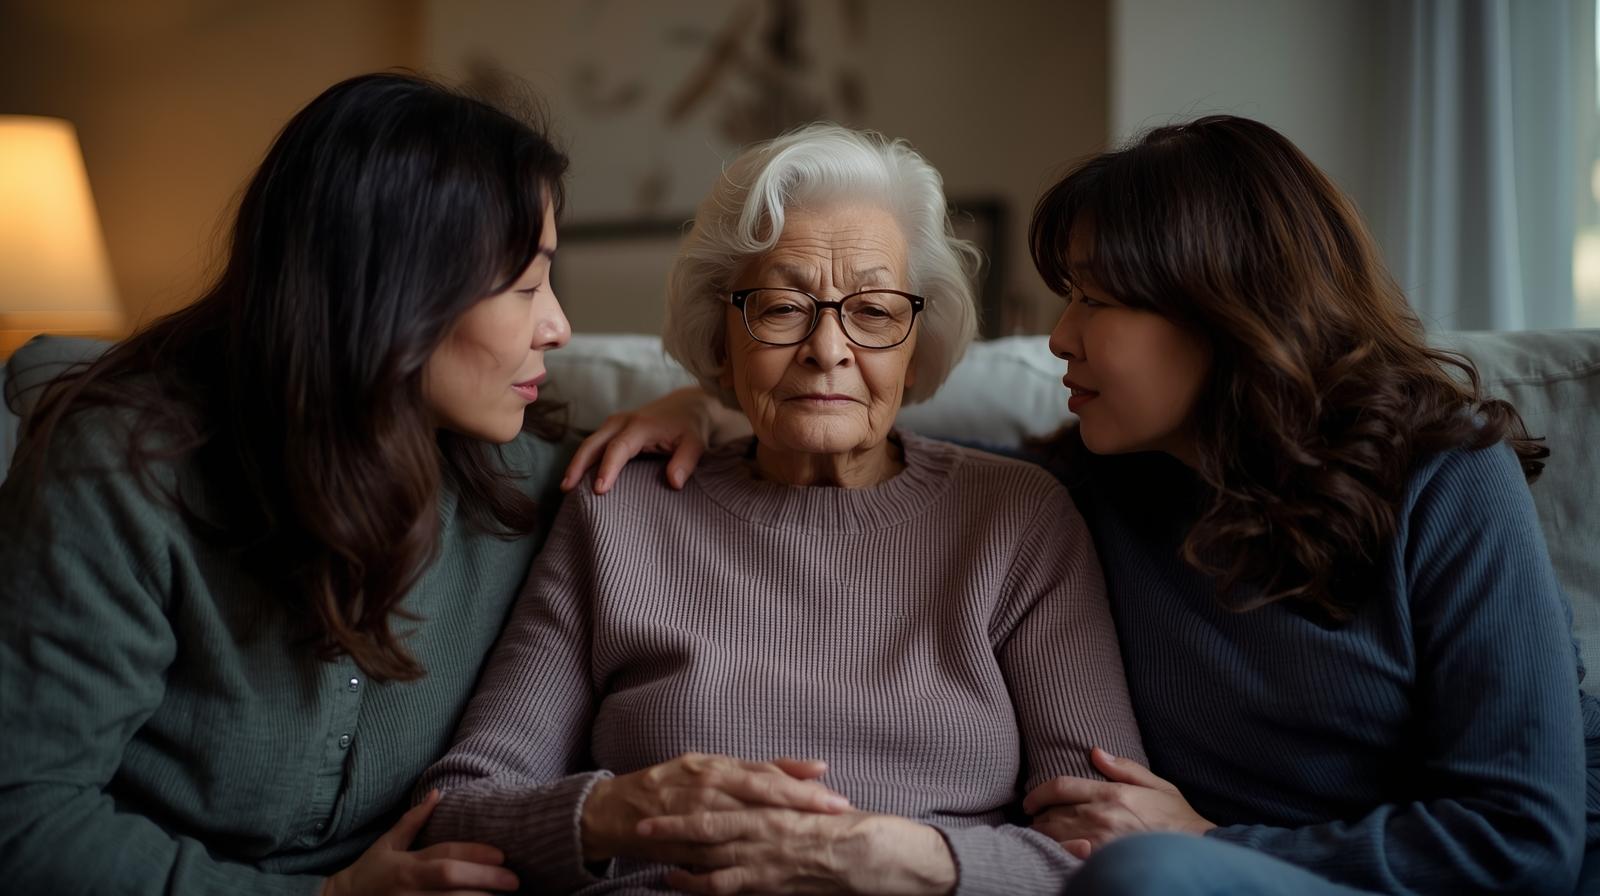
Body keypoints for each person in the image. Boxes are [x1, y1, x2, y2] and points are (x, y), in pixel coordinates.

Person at [0, 72, 697, 896]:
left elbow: (776, 452)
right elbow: (25, 819)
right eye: (523, 286)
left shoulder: (524, 475)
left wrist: (706, 406)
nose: (559, 325)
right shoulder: (123, 468)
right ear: (399, 296)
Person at [416, 123, 1146, 894]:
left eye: (872, 311)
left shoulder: (1018, 518)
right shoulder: (619, 509)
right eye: (780, 306)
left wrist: (914, 861)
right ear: (721, 339)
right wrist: (616, 811)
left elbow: (1106, 844)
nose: (827, 349)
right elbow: (459, 810)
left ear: (917, 341)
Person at [1011, 115, 1599, 895]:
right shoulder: (1077, 492)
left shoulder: (1445, 477)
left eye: (1095, 299)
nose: (1059, 337)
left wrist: (1213, 842)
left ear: (1226, 309)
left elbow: (1519, 840)